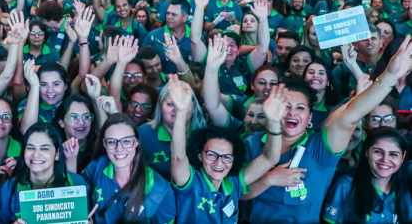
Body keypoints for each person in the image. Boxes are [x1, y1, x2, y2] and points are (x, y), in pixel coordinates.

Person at [242, 37, 412, 224]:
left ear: (309, 118)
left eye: (300, 108)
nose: (292, 112)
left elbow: (352, 113)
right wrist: (268, 179)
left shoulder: (320, 147)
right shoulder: (251, 143)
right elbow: (236, 194)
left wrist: (390, 75)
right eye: (285, 106)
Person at [170, 37, 284, 222]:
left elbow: (270, 157)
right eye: (212, 155)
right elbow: (178, 156)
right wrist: (182, 112)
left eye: (226, 157)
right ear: (199, 155)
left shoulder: (234, 183)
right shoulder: (190, 182)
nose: (219, 162)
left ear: (233, 160)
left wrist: (274, 122)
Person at [82, 113, 176, 224]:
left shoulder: (159, 189)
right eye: (111, 142)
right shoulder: (96, 167)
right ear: (104, 144)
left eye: (126, 141)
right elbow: (79, 201)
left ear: (136, 142)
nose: (119, 149)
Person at [0, 123, 89, 224]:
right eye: (30, 148)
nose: (36, 154)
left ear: (57, 153)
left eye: (44, 148)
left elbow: (87, 217)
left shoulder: (77, 182)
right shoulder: (8, 188)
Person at [323, 127, 412, 223]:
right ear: (366, 151)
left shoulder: (404, 191)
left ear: (402, 158)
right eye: (378, 151)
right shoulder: (345, 186)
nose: (385, 160)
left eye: (393, 154)